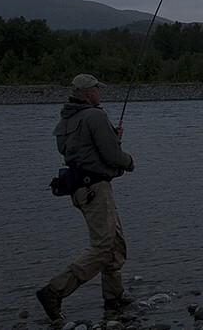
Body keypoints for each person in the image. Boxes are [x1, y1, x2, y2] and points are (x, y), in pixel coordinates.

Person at [36, 74, 136, 322]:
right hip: (96, 190)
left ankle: (113, 298)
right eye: (97, 90)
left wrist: (110, 135)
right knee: (103, 246)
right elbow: (113, 155)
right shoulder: (95, 115)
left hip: (81, 189)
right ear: (89, 92)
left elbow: (75, 150)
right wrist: (129, 161)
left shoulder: (66, 120)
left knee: (115, 242)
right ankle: (54, 291)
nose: (99, 93)